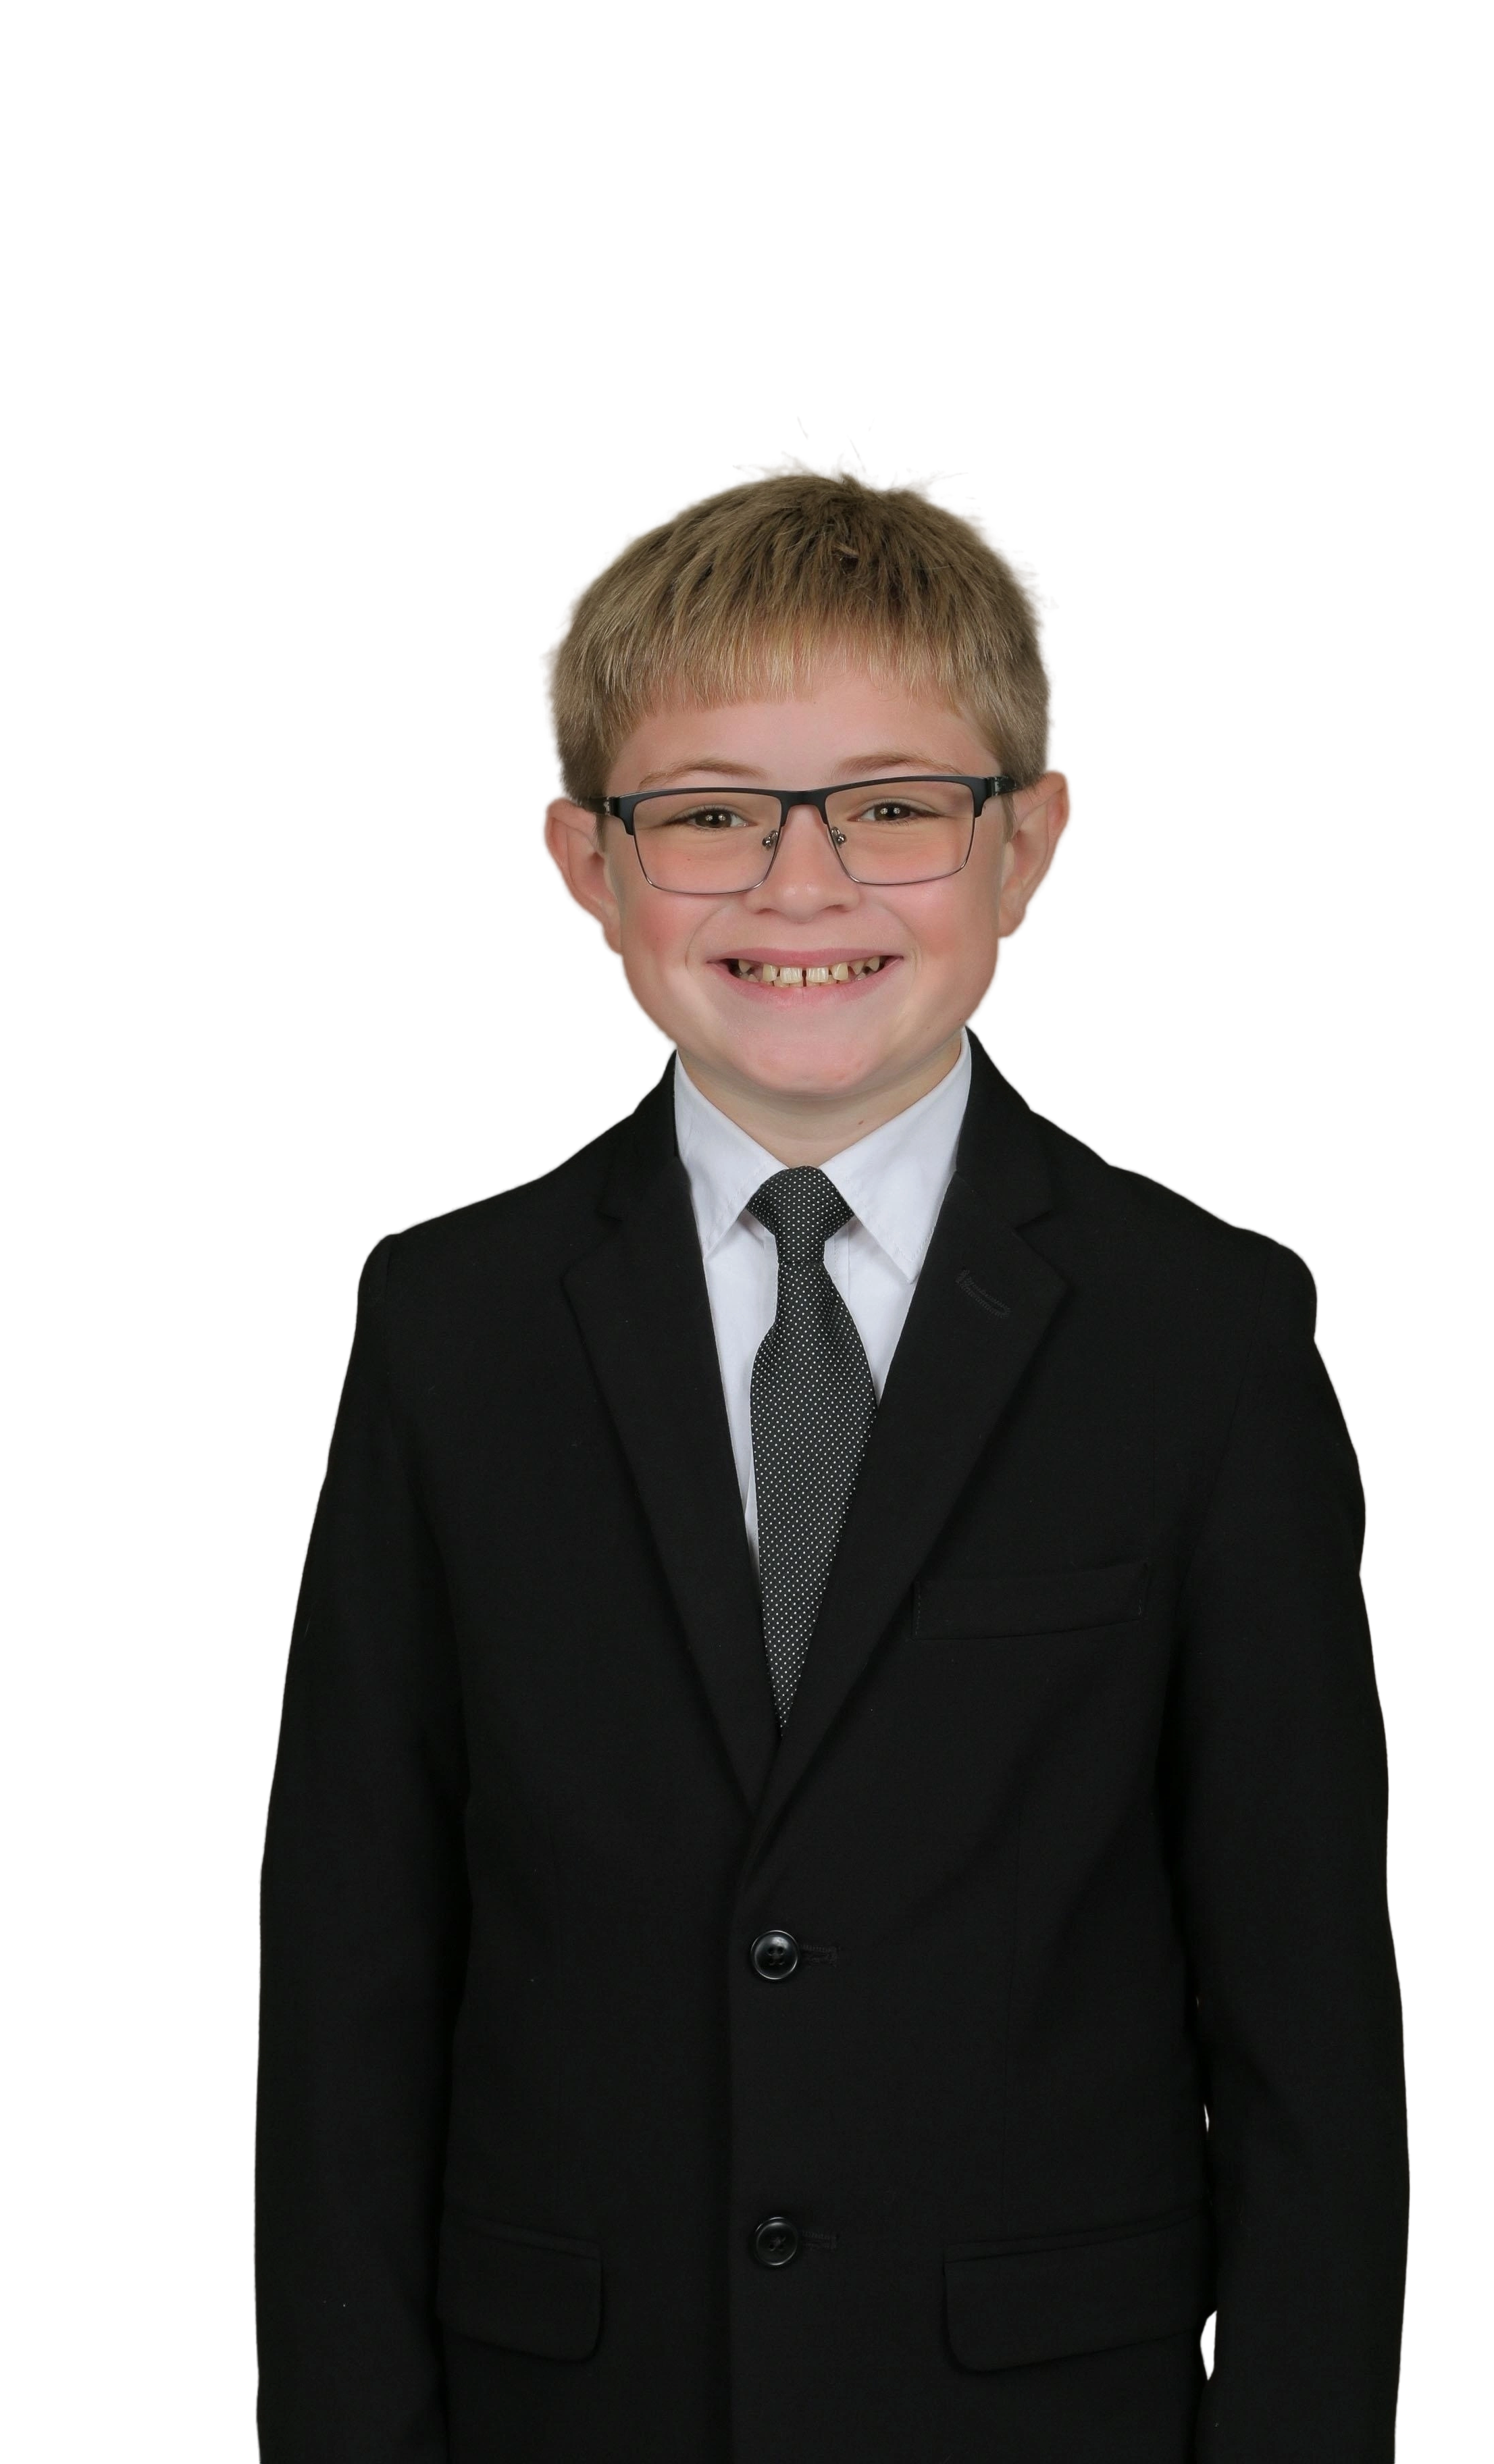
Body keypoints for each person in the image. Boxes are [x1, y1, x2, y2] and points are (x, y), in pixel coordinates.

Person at [253, 446, 1410, 2461]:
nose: (803, 888)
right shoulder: (449, 1328)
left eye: (893, 805)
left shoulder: (1205, 1336)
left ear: (1029, 842)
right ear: (586, 861)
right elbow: (352, 1987)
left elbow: (1307, 2027)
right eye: (710, 813)